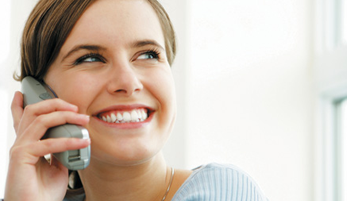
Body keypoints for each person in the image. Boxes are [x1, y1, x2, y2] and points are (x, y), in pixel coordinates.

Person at [4, 0, 269, 200]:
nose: (129, 82)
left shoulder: (221, 192)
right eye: (90, 58)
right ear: (38, 94)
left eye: (148, 55)